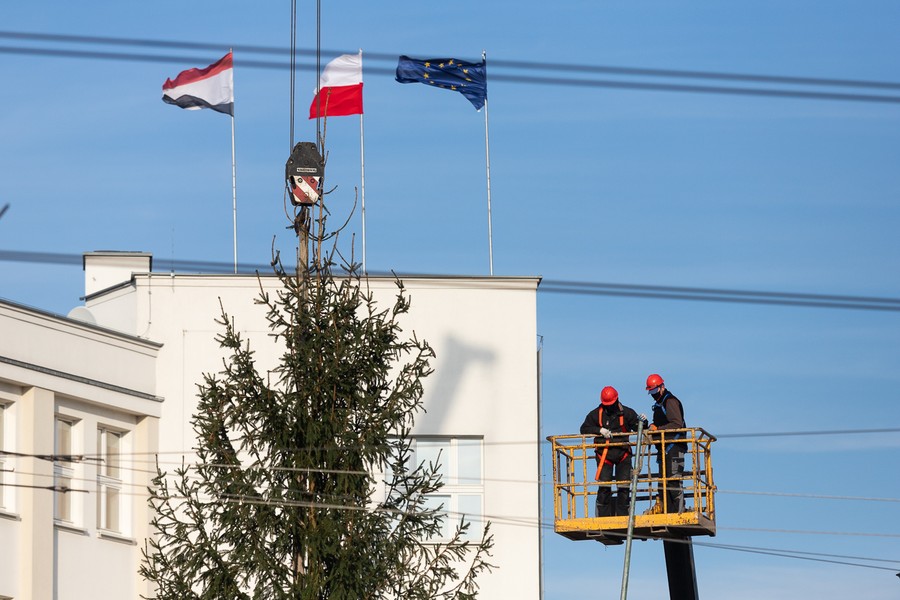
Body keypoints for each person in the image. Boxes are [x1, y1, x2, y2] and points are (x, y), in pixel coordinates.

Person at [580, 386, 645, 517]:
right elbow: (584, 429)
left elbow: (640, 427)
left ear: (616, 400)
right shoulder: (595, 414)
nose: (609, 407)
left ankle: (624, 518)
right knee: (604, 488)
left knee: (624, 488)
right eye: (607, 405)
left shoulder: (626, 413)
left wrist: (643, 421)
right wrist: (599, 430)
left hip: (623, 455)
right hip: (604, 455)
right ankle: (602, 518)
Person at [646, 373, 687, 513]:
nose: (653, 394)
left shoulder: (670, 401)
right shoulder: (659, 404)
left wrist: (658, 429)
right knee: (663, 483)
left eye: (655, 391)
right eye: (651, 391)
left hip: (675, 447)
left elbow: (677, 423)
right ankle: (667, 511)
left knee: (673, 481)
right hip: (664, 448)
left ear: (662, 387)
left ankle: (679, 512)